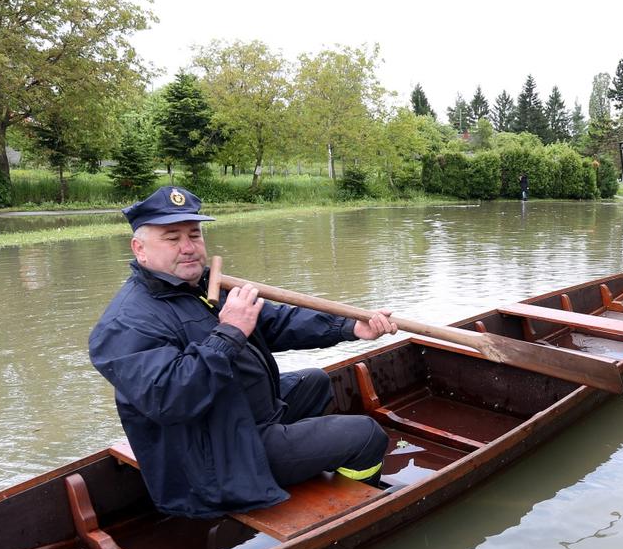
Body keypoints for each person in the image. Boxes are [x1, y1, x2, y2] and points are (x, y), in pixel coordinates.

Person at [89, 185, 398, 518]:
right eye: (172, 238)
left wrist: (350, 327)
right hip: (216, 459)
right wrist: (230, 332)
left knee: (315, 381)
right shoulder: (124, 324)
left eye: (194, 235)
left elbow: (276, 322)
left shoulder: (200, 287)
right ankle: (350, 506)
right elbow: (172, 398)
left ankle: (299, 460)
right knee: (367, 436)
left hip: (236, 417)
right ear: (140, 249)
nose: (188, 247)